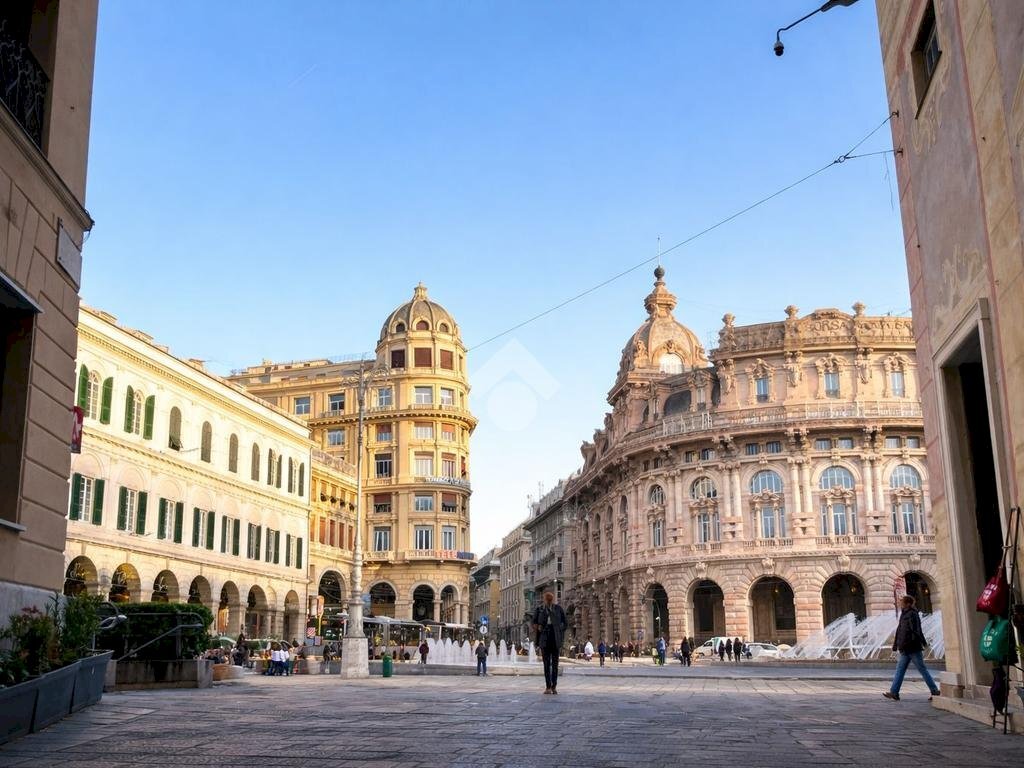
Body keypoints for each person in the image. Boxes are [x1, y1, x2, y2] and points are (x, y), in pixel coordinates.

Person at [884, 594, 941, 701]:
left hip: (912, 647)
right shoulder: (904, 614)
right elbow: (899, 630)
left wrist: (921, 642)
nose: (900, 603)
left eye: (902, 602)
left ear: (908, 604)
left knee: (922, 669)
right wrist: (896, 644)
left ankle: (934, 691)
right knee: (900, 670)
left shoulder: (912, 614)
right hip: (905, 648)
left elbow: (916, 630)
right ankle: (894, 692)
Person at [531, 590, 567, 695]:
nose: (549, 601)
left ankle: (554, 686)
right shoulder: (540, 609)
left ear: (553, 600)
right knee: (546, 664)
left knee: (555, 664)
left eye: (550, 600)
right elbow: (533, 622)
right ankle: (548, 687)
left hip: (555, 638)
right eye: (548, 599)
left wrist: (560, 629)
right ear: (545, 600)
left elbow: (565, 623)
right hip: (544, 638)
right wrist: (538, 626)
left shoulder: (558, 609)